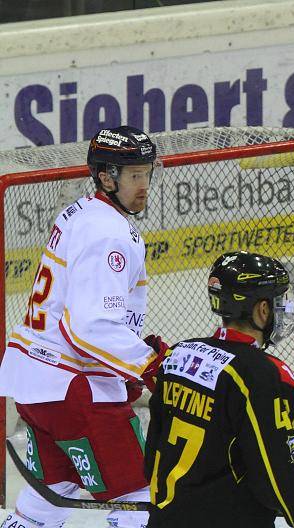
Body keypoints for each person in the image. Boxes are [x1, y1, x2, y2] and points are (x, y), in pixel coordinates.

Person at [0, 126, 166, 528]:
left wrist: (123, 363)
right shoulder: (108, 233)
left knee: (55, 491)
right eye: (134, 176)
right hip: (74, 387)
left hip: (38, 387)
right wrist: (148, 364)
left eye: (147, 173)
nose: (144, 185)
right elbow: (90, 326)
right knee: (140, 497)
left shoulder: (82, 213)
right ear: (106, 178)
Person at [145, 251, 294, 527]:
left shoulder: (177, 355)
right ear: (262, 310)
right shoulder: (264, 375)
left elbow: (153, 455)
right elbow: (273, 477)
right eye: (277, 302)